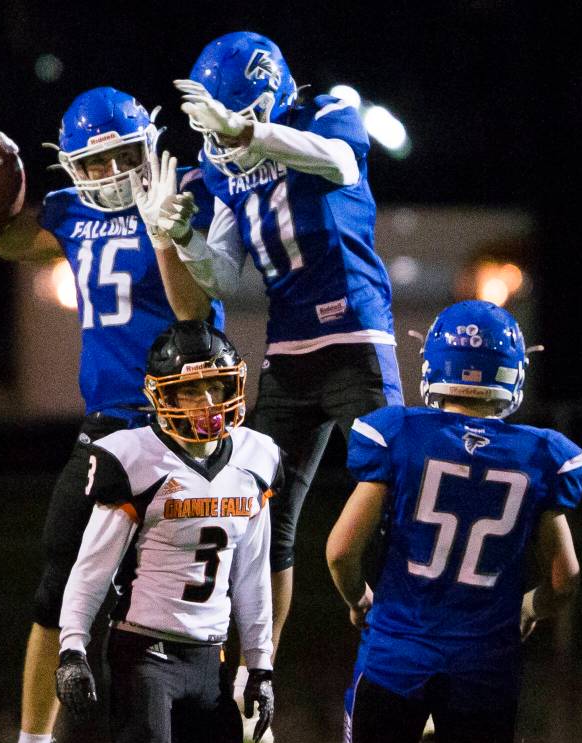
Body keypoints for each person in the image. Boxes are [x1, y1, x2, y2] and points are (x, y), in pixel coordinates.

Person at [0, 87, 215, 743]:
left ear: (150, 148)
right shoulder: (70, 214)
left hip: (178, 427)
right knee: (58, 591)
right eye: (98, 160)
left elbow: (195, 311)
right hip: (103, 431)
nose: (115, 172)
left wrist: (168, 236)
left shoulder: (182, 194)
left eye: (127, 155)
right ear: (72, 164)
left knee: (151, 620)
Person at [324, 300, 582, 743]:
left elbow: (341, 549)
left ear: (434, 364)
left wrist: (358, 599)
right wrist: (530, 607)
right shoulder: (540, 454)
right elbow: (566, 577)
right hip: (485, 661)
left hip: (398, 648)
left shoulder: (399, 434)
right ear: (510, 373)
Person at [160, 31, 404, 659]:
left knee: (399, 495)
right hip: (289, 351)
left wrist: (252, 135)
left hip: (355, 336)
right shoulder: (220, 164)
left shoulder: (325, 114)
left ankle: (416, 653)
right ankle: (254, 677)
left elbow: (340, 162)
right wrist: (185, 236)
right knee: (259, 516)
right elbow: (223, 272)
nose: (218, 139)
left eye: (230, 120)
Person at [55, 319, 281, 743]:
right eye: (194, 391)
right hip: (143, 650)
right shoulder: (135, 457)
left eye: (218, 386)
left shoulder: (255, 456)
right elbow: (92, 569)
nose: (210, 403)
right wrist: (72, 645)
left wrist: (259, 662)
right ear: (163, 398)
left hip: (208, 656)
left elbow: (252, 574)